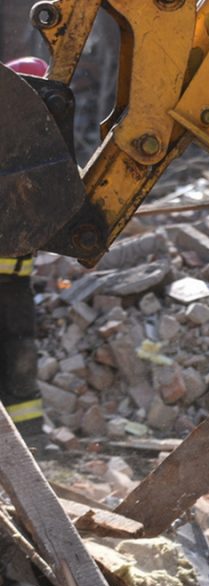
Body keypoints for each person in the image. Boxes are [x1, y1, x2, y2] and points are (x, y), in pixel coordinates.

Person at [0, 57, 49, 452]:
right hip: (9, 278)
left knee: (20, 355)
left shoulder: (39, 146)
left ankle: (29, 439)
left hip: (16, 281)